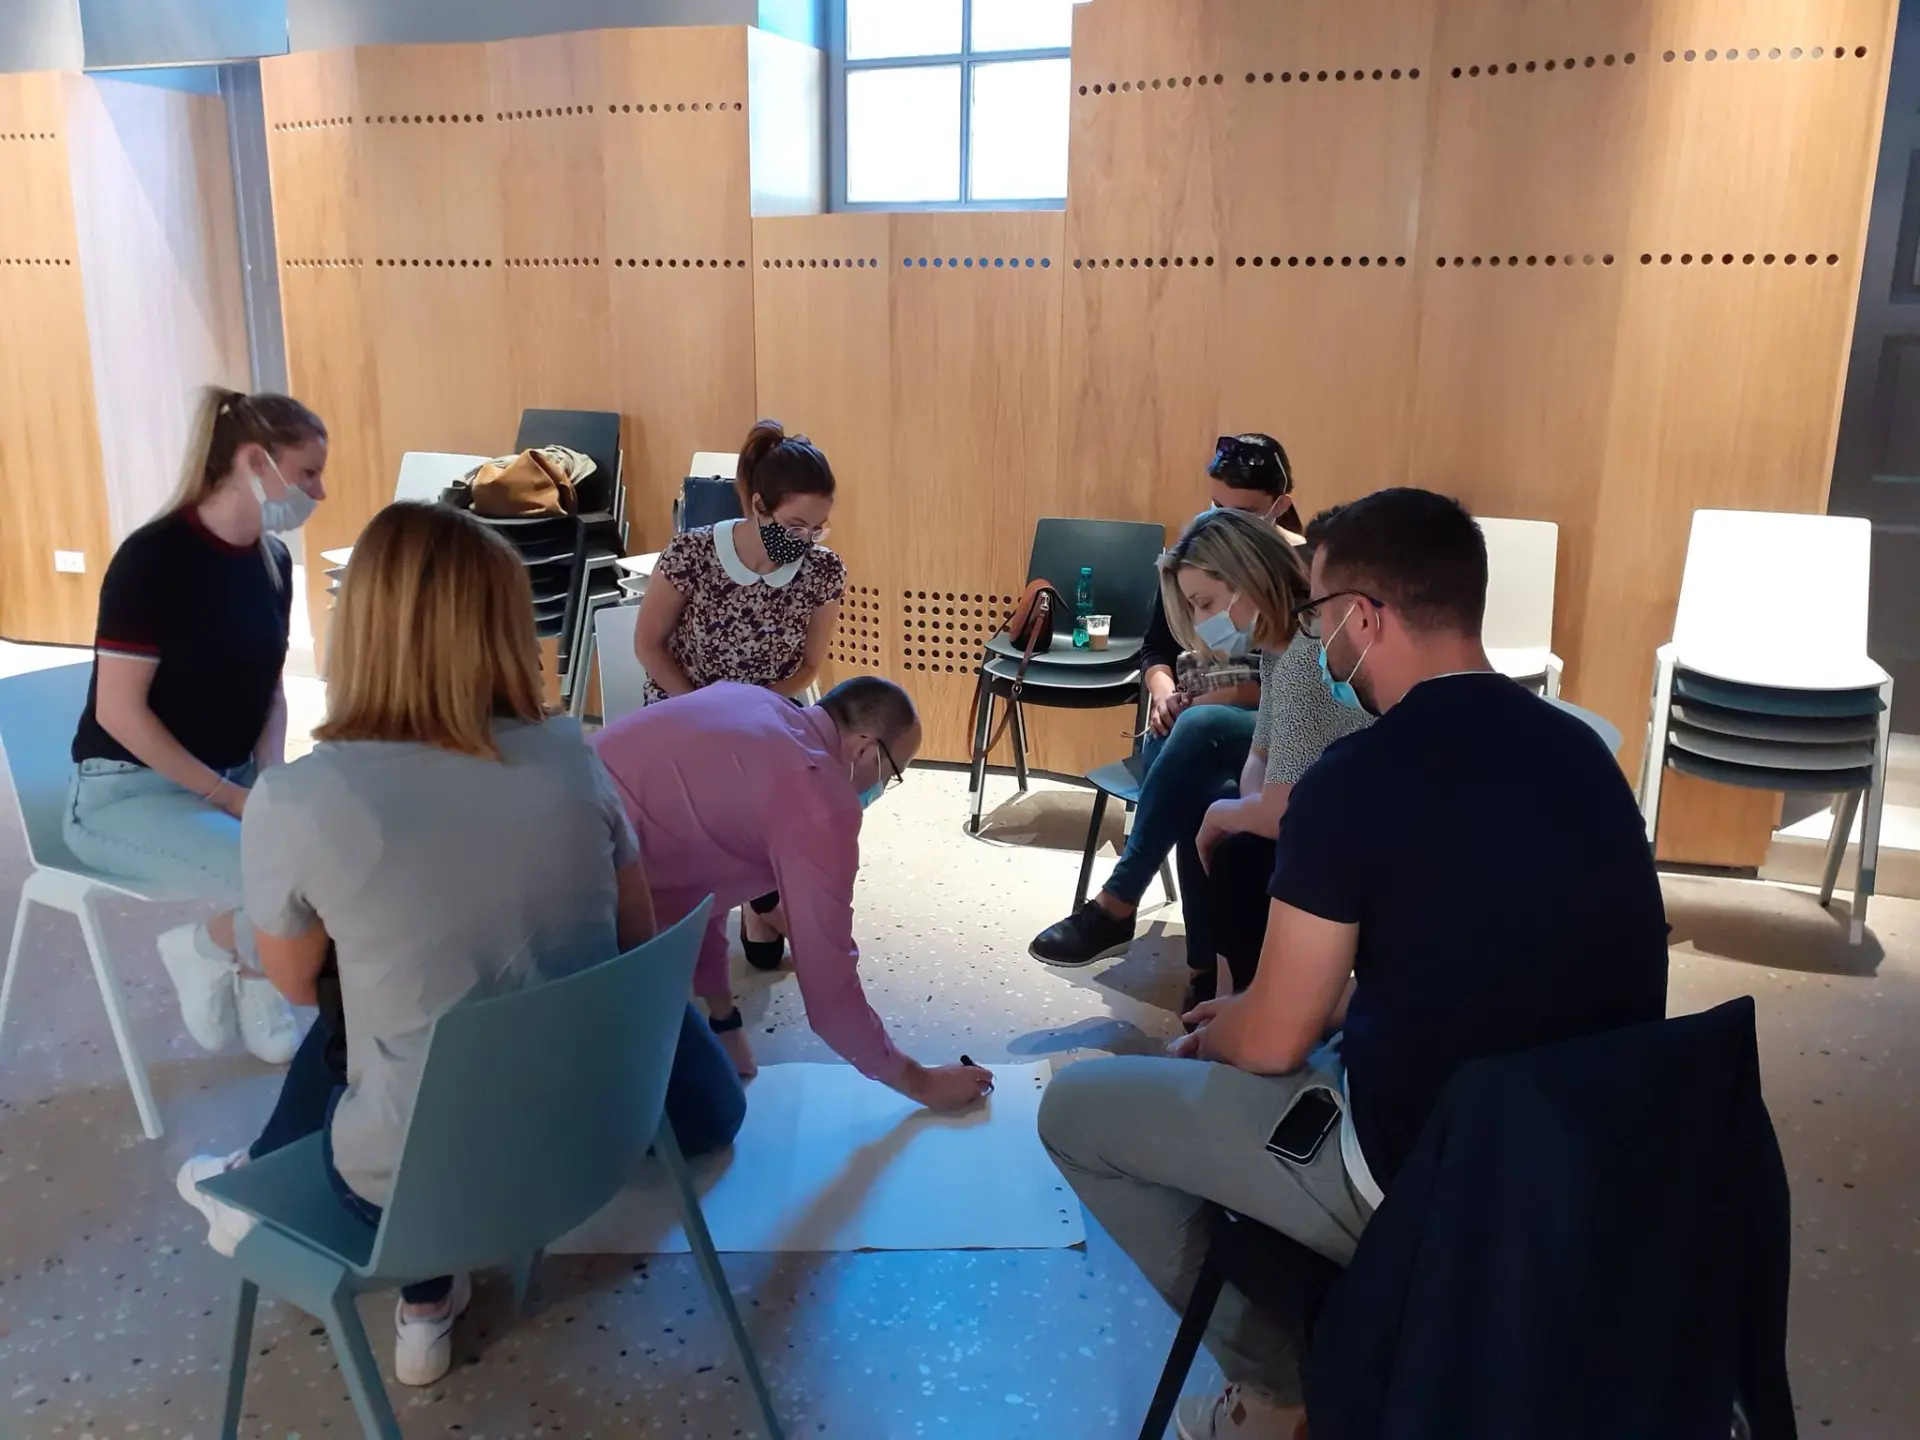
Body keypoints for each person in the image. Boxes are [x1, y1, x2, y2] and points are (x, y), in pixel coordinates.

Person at [1038, 488, 1670, 1440]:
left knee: (1077, 1112)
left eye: (1323, 615)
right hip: (1603, 1167)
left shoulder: (1356, 780)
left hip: (1431, 1178)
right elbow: (1495, 954)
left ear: (1366, 618)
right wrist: (1326, 1010)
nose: (1319, 641)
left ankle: (1283, 1390)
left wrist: (1227, 1030)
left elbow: (1269, 1043)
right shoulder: (1587, 756)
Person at [174, 503, 746, 1389]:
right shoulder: (571, 757)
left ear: (361, 628)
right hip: (592, 1149)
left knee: (366, 1019)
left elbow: (294, 987)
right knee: (446, 999)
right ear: (507, 627)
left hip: (403, 1197)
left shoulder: (297, 800)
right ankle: (425, 1292)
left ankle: (410, 1277)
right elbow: (635, 943)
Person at [65, 388, 328, 1066]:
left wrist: (270, 781)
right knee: (274, 882)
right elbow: (118, 712)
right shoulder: (154, 559)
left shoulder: (272, 561)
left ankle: (232, 962)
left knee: (330, 856)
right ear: (255, 462)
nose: (319, 493)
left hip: (229, 777)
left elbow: (269, 690)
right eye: (307, 474)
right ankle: (219, 954)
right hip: (124, 793)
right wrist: (229, 797)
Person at [593, 674, 993, 1109]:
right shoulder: (819, 798)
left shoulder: (752, 700)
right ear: (864, 749)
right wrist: (924, 1084)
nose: (880, 789)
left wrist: (724, 1020)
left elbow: (702, 881)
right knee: (711, 1116)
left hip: (558, 838)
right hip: (579, 906)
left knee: (703, 1079)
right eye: (891, 773)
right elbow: (829, 989)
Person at [1028, 434, 1303, 981]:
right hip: (1208, 723)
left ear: (1279, 505)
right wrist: (1164, 694)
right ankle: (1207, 970)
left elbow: (1297, 691)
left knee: (1198, 735)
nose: (1225, 521)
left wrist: (1218, 699)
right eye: (1216, 506)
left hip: (1251, 726)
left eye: (1243, 512)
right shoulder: (1198, 561)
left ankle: (1121, 901)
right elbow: (1157, 648)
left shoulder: (1302, 575)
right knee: (1201, 786)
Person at [634, 419, 844, 971]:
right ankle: (757, 903)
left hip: (765, 712)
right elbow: (649, 645)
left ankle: (761, 901)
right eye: (795, 525)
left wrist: (753, 709)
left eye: (817, 528)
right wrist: (706, 711)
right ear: (758, 506)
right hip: (682, 710)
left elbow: (809, 665)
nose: (805, 539)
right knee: (709, 801)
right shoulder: (693, 553)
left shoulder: (822, 571)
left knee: (788, 792)